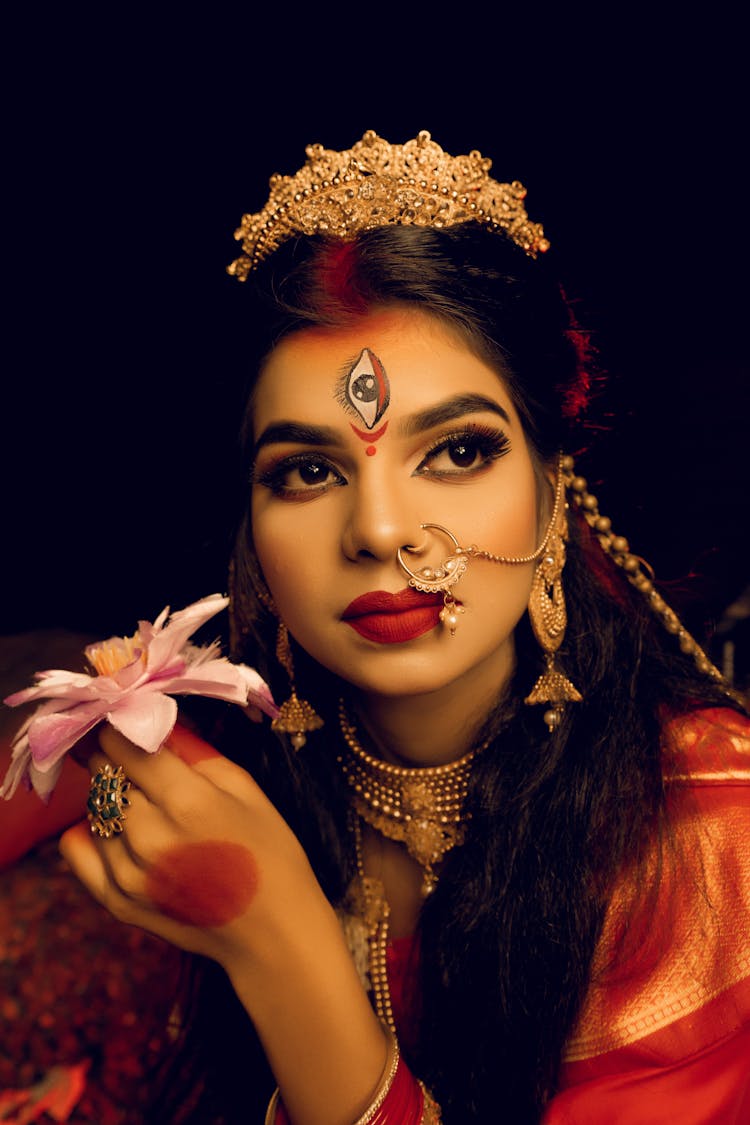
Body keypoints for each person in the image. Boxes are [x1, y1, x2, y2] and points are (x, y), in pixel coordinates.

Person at [53, 130, 749, 1123]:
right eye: (308, 471)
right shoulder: (257, 776)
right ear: (250, 528)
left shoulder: (712, 829)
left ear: (555, 490)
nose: (379, 531)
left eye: (458, 451)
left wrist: (279, 942)